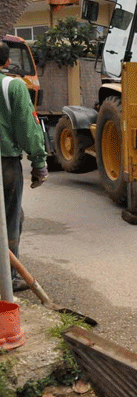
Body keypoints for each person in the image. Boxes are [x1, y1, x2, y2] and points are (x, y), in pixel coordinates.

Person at [0, 41, 48, 292]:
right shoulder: (13, 86)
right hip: (5, 163)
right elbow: (27, 128)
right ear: (7, 62)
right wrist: (39, 162)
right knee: (9, 218)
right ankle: (7, 278)